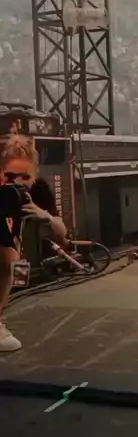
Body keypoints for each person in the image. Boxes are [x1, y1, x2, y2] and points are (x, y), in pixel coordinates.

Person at [0, 135, 68, 352]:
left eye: (25, 177)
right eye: (9, 176)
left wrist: (45, 216)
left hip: (10, 240)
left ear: (35, 175)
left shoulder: (38, 190)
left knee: (11, 261)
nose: (17, 183)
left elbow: (62, 233)